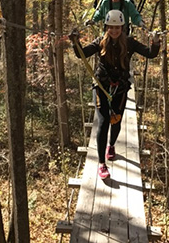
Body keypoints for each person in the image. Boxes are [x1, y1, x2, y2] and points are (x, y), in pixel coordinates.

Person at [69, 10, 160, 179]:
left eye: (117, 27)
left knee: (116, 120)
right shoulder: (100, 42)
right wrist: (75, 42)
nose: (114, 30)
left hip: (120, 88)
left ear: (122, 27)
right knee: (103, 122)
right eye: (111, 27)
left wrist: (155, 41)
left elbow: (150, 53)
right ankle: (102, 163)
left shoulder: (130, 43)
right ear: (106, 27)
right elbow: (81, 54)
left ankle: (111, 145)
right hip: (102, 87)